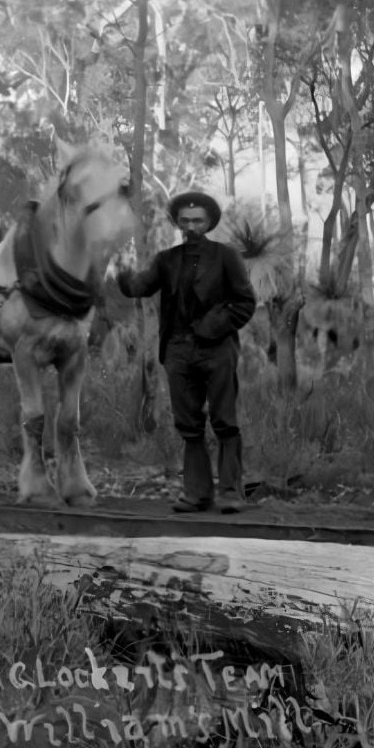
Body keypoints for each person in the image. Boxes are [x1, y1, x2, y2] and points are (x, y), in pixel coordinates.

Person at [116, 190, 258, 514]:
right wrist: (122, 270)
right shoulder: (167, 260)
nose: (192, 226)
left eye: (198, 220)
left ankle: (232, 493)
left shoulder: (226, 256)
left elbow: (245, 303)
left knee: (225, 421)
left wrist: (213, 326)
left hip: (217, 350)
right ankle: (197, 494)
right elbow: (140, 287)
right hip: (178, 352)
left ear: (208, 223)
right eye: (185, 220)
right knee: (188, 425)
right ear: (178, 223)